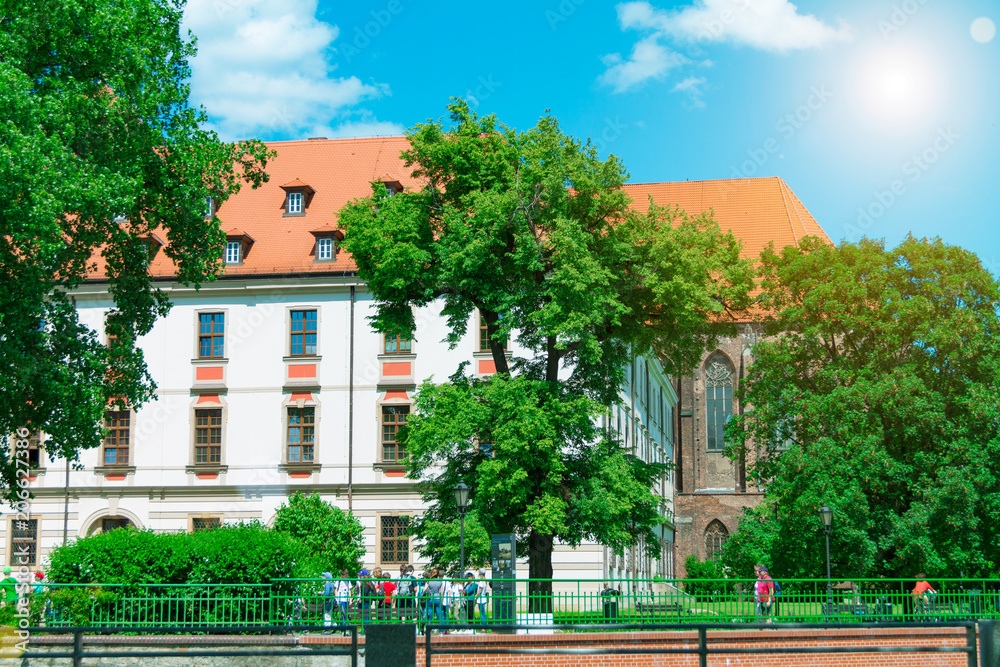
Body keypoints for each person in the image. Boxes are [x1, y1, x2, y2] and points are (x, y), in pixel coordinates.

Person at [425, 568, 447, 633]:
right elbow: (442, 592)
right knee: (440, 615)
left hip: (430, 599)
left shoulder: (429, 581)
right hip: (437, 599)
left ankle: (429, 630)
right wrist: (441, 600)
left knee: (429, 615)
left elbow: (424, 590)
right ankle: (441, 630)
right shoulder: (439, 582)